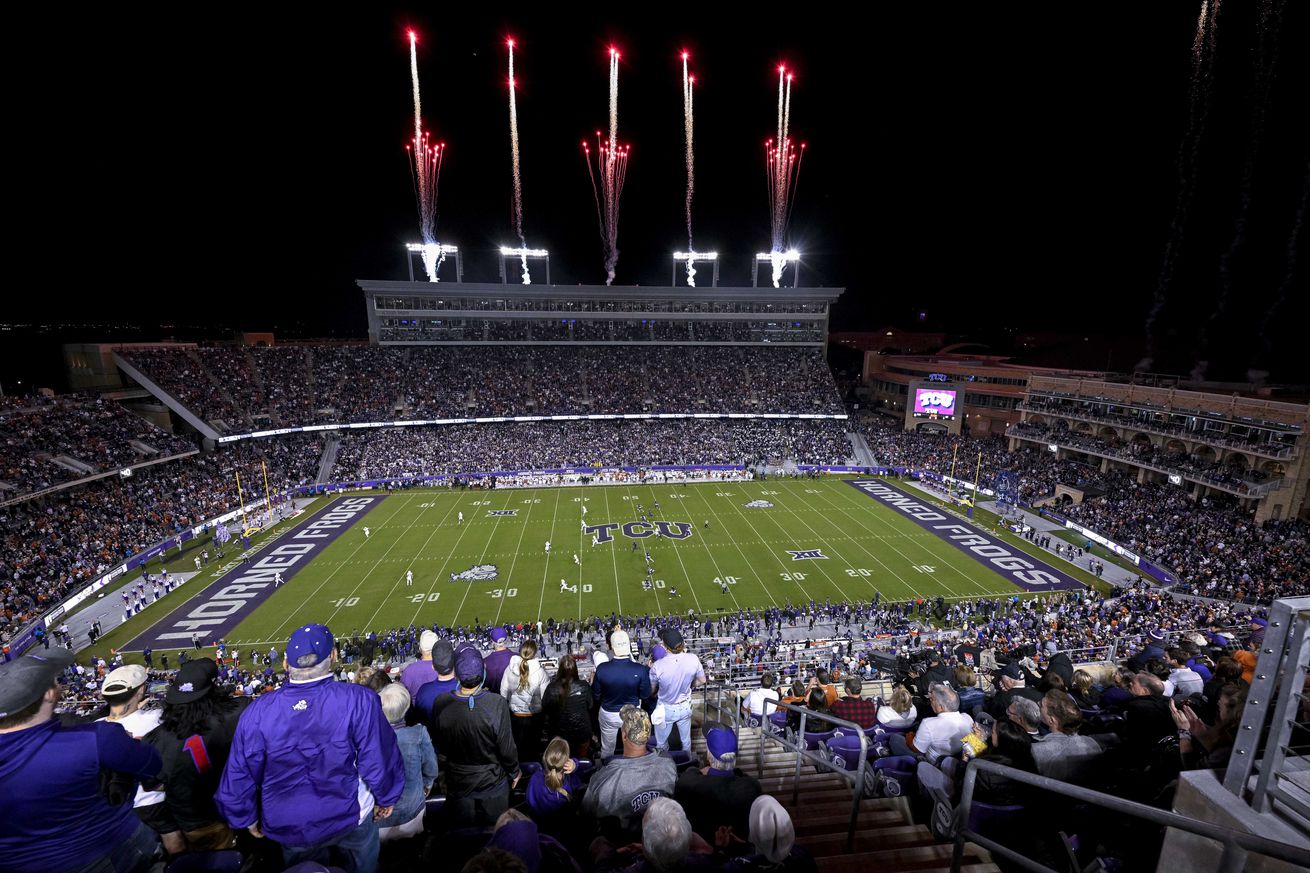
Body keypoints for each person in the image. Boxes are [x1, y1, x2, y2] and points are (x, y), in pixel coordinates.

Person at [216, 624, 403, 873]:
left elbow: (239, 774)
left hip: (289, 824)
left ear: (285, 664)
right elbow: (378, 759)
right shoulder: (358, 699)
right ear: (334, 656)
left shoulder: (258, 712)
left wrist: (246, 817)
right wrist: (386, 796)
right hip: (349, 815)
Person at [0, 648, 164, 873]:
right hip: (107, 851)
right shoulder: (97, 738)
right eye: (56, 681)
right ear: (48, 694)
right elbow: (152, 766)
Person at [148, 659, 248, 852]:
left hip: (194, 819)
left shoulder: (157, 739)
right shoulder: (238, 712)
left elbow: (154, 783)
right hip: (238, 805)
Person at [434, 645, 521, 827]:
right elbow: (506, 748)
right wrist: (514, 771)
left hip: (459, 781)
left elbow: (441, 747)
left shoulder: (441, 702)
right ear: (482, 673)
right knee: (494, 833)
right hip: (491, 783)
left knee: (465, 837)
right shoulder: (496, 704)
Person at [96, 665, 179, 853]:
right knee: (172, 836)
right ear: (141, 691)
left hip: (117, 803)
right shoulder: (155, 719)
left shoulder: (95, 727)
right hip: (154, 799)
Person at [582, 705, 677, 837]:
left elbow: (586, 816)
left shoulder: (602, 779)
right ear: (648, 735)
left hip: (620, 847)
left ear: (624, 736)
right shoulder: (668, 764)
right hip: (662, 842)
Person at [675, 727, 763, 844]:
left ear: (709, 754)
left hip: (698, 853)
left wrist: (700, 771)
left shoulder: (688, 783)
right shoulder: (752, 787)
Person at [376, 683, 437, 840]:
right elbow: (431, 767)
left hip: (380, 816)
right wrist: (428, 784)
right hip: (412, 809)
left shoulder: (370, 740)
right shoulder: (418, 733)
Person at [592, 630, 652, 758]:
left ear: (612, 647)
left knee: (607, 748)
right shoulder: (640, 670)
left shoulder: (602, 669)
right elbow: (645, 695)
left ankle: (607, 770)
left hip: (609, 713)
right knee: (634, 746)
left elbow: (596, 695)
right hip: (632, 714)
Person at [1032, 691, 1109, 785]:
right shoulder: (1092, 743)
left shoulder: (1037, 751)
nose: (1037, 704)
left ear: (1051, 720)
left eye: (1041, 705)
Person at [649, 627, 707, 752]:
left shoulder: (658, 666)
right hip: (685, 705)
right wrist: (689, 685)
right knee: (686, 742)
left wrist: (658, 692)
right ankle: (687, 764)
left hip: (666, 708)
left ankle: (665, 767)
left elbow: (651, 690)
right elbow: (702, 680)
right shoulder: (693, 659)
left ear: (665, 646)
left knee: (661, 743)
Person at [888, 683, 973, 764]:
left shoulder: (928, 724)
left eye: (932, 700)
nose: (931, 702)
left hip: (933, 763)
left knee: (894, 738)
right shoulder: (968, 718)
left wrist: (909, 736)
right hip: (958, 759)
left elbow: (917, 749)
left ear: (941, 707)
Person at [501, 639, 549, 763]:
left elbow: (503, 692)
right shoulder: (540, 673)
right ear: (535, 653)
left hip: (515, 716)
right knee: (532, 749)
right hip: (533, 717)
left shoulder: (509, 669)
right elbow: (545, 698)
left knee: (517, 748)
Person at [542, 654, 593, 757]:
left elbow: (545, 707)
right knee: (581, 760)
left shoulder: (552, 688)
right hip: (581, 732)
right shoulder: (583, 686)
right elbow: (590, 705)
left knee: (560, 760)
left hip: (559, 733)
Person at [526, 736, 583, 818]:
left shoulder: (535, 777)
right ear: (566, 764)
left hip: (536, 823)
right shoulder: (571, 782)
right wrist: (575, 764)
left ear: (545, 759)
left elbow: (529, 802)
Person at [413, 639, 459, 727]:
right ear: (455, 663)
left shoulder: (423, 692)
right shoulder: (464, 688)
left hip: (433, 738)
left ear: (433, 667)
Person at [400, 630, 442, 700]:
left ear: (420, 648)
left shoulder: (409, 671)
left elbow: (402, 697)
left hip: (417, 709)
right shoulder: (445, 668)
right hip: (440, 708)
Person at [484, 628, 514, 694]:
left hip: (495, 698)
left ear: (492, 641)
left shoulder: (486, 662)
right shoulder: (517, 657)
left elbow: (484, 685)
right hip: (513, 697)